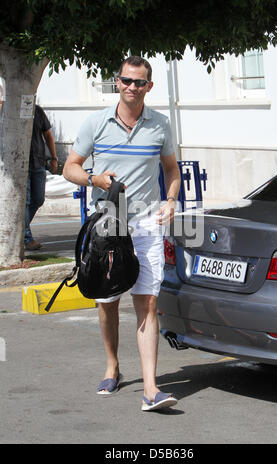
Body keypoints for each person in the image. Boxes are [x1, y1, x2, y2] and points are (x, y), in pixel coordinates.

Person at [63, 56, 181, 412]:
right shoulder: (96, 122)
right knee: (107, 300)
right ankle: (112, 364)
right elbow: (69, 167)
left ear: (149, 86)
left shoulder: (160, 124)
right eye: (127, 81)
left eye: (140, 82)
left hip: (146, 223)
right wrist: (93, 179)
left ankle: (150, 389)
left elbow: (171, 169)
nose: (132, 87)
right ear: (117, 82)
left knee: (147, 300)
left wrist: (171, 200)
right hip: (109, 220)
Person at [25, 105, 58, 251]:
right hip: (19, 164)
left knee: (38, 199)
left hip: (38, 161)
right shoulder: (6, 110)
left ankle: (19, 229)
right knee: (25, 202)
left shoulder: (37, 110)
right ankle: (26, 238)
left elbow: (47, 134)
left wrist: (54, 157)